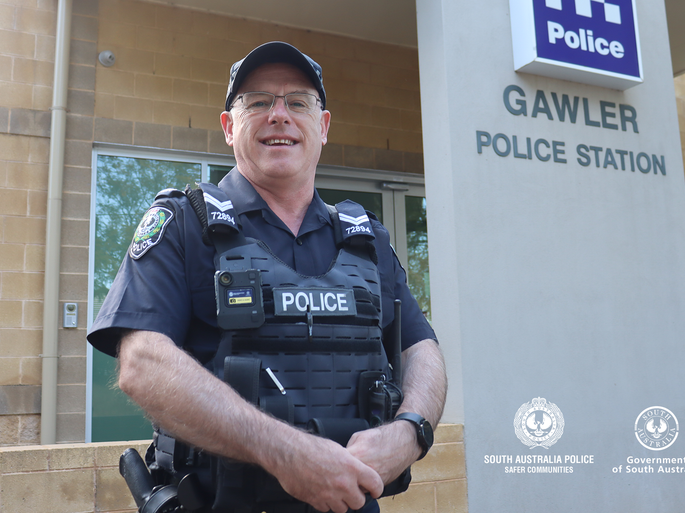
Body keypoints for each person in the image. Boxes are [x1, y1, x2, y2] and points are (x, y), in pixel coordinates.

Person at [87, 41, 447, 513]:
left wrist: (411, 430)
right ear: (228, 126)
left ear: (323, 126)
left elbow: (423, 351)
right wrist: (284, 451)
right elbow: (142, 364)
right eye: (258, 103)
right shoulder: (184, 224)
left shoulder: (368, 239)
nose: (279, 115)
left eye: (298, 102)